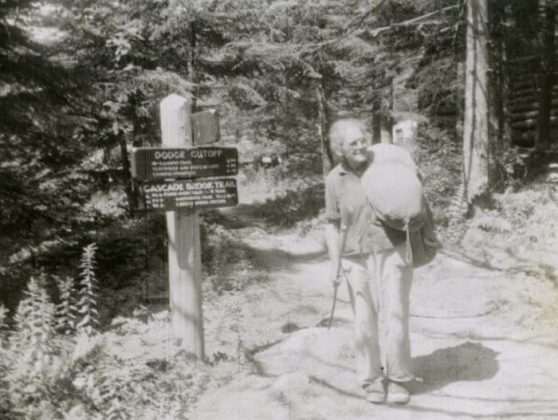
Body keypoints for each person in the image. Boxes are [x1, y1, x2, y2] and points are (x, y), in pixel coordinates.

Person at [324, 118, 415, 404]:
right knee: (364, 319)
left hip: (393, 249)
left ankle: (399, 379)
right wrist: (334, 262)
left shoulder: (385, 166)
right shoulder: (334, 179)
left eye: (363, 139)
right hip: (355, 255)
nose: (361, 146)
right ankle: (372, 379)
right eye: (353, 143)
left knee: (396, 315)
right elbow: (331, 222)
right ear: (340, 149)